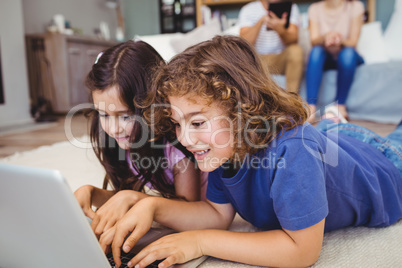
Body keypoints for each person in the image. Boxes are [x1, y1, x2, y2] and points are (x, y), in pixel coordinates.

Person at [98, 36, 402, 268]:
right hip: (331, 140)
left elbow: (303, 250)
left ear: (241, 112)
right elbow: (217, 215)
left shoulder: (293, 152)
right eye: (178, 124)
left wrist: (201, 242)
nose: (186, 139)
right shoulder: (221, 149)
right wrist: (151, 207)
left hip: (385, 162)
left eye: (198, 121)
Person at [74, 40, 207, 237]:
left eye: (126, 116)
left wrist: (133, 199)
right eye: (104, 114)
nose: (114, 128)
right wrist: (93, 194)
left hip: (204, 213)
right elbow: (125, 199)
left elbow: (187, 210)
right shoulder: (124, 142)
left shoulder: (177, 146)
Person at [306, 0, 365, 122]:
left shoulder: (356, 6)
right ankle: (310, 107)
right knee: (316, 51)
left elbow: (353, 42)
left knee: (347, 53)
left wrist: (338, 39)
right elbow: (314, 40)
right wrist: (325, 37)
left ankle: (340, 105)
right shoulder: (314, 9)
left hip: (348, 56)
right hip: (326, 56)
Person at [238, 0, 304, 93]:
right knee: (241, 56)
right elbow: (244, 43)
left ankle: (292, 100)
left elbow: (293, 40)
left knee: (296, 50)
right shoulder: (248, 10)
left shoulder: (291, 8)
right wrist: (262, 21)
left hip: (280, 59)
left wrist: (280, 29)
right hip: (257, 60)